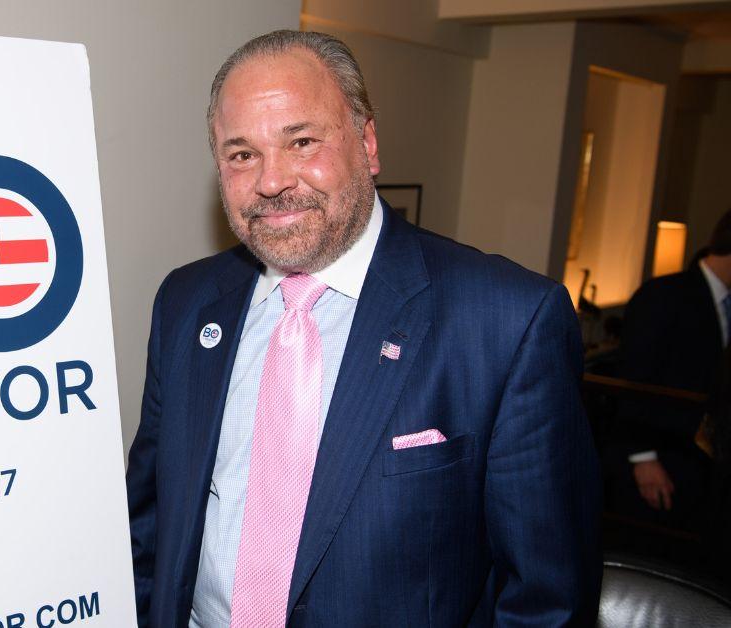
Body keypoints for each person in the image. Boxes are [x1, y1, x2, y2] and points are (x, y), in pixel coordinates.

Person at [125, 30, 601, 627]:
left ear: (368, 144)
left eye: (301, 141)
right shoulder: (186, 302)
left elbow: (547, 603)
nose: (271, 181)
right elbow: (147, 527)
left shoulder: (505, 322)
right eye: (242, 154)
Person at [613, 211, 731, 530]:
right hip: (663, 456)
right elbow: (632, 378)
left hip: (706, 465)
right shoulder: (664, 295)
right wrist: (642, 457)